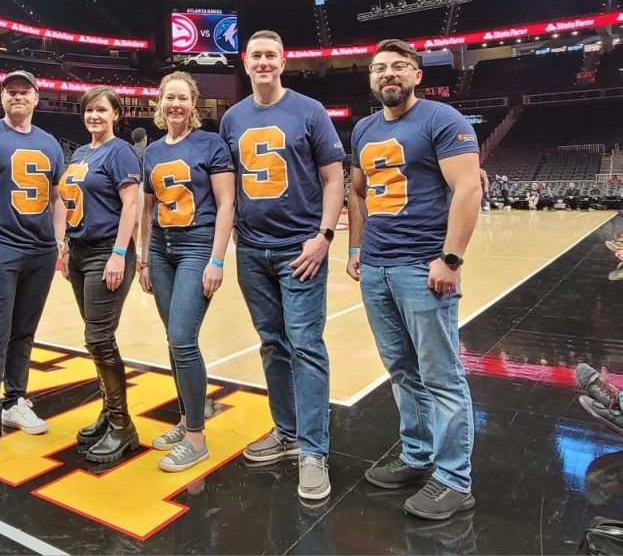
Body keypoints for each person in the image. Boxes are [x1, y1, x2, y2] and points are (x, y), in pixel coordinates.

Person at [346, 39, 481, 521]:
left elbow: (468, 188)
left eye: (399, 67)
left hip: (421, 267)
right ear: (370, 78)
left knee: (441, 375)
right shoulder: (362, 129)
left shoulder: (442, 120)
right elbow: (357, 192)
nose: (388, 74)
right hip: (377, 267)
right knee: (402, 370)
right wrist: (356, 248)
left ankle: (453, 479)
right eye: (380, 68)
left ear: (417, 76)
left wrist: (451, 258)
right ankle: (417, 454)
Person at [219, 30, 345, 502]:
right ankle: (287, 430)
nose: (264, 62)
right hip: (252, 251)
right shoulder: (231, 118)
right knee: (272, 345)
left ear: (283, 61)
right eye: (256, 56)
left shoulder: (309, 111)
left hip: (300, 249)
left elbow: (334, 179)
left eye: (272, 54)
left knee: (306, 345)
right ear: (245, 63)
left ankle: (314, 449)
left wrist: (324, 237)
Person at [0, 70, 67, 457]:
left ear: (38, 98)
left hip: (40, 252)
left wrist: (57, 241)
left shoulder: (50, 143)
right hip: (0, 248)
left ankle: (15, 400)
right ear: (0, 98)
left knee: (24, 330)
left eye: (25, 92)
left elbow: (57, 198)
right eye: (11, 92)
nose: (18, 97)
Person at [140, 71, 235, 472]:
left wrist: (217, 259)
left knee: (182, 338)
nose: (175, 104)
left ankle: (196, 437)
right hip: (161, 248)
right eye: (169, 98)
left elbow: (226, 204)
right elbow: (146, 209)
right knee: (172, 340)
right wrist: (143, 259)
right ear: (159, 103)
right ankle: (183, 419)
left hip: (197, 245)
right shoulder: (152, 151)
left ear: (193, 103)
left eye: (182, 97)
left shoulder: (211, 144)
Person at [59, 87, 142, 464]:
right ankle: (109, 413)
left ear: (116, 115)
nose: (95, 116)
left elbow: (131, 205)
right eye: (90, 110)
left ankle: (123, 426)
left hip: (105, 252)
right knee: (95, 339)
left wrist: (119, 254)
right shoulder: (80, 153)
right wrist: (64, 245)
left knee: (99, 337)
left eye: (102, 110)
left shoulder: (120, 151)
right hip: (78, 252)